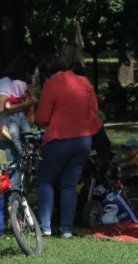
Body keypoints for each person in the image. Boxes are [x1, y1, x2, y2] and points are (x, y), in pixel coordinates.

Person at [34, 54, 103, 238]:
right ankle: (67, 229)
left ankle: (45, 226)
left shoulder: (51, 85)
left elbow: (41, 118)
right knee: (69, 184)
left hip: (58, 139)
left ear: (47, 72)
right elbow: (94, 108)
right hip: (83, 139)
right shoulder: (84, 82)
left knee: (45, 180)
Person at [0, 53, 38, 163]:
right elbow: (1, 108)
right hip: (5, 136)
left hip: (18, 136)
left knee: (17, 172)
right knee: (11, 172)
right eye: (31, 73)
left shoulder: (22, 86)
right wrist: (24, 105)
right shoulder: (5, 83)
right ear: (25, 72)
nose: (32, 77)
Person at [3, 78, 37, 155]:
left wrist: (32, 99)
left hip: (22, 117)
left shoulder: (23, 97)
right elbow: (7, 106)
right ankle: (19, 149)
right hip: (14, 118)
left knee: (28, 132)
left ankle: (31, 148)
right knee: (14, 134)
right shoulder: (12, 98)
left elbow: (34, 100)